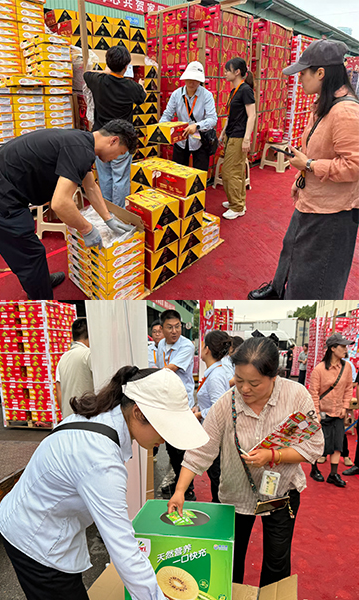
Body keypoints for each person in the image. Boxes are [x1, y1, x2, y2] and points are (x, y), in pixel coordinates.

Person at [0, 367, 208, 600]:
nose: (167, 439)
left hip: (39, 517)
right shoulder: (100, 460)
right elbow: (123, 547)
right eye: (166, 428)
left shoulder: (99, 416)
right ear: (138, 413)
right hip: (34, 537)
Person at [171, 337, 324, 586]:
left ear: (273, 377)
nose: (244, 389)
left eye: (254, 383)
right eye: (239, 379)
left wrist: (273, 456)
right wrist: (180, 491)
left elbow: (314, 446)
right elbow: (200, 451)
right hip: (235, 495)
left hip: (281, 492)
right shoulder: (227, 403)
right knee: (229, 559)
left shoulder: (296, 396)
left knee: (277, 561)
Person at [0, 122, 138, 300]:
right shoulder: (81, 151)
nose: (115, 158)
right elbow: (60, 204)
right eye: (120, 153)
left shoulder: (81, 141)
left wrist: (108, 218)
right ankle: (42, 300)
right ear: (113, 140)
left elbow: (91, 187)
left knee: (28, 251)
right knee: (30, 254)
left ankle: (40, 281)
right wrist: (87, 229)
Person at [248, 40, 359, 300]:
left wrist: (308, 165)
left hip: (333, 212)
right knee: (292, 250)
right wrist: (302, 176)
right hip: (312, 199)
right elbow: (317, 151)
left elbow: (354, 165)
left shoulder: (346, 112)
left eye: (303, 73)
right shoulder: (324, 104)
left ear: (320, 73)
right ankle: (278, 290)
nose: (299, 79)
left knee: (316, 273)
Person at [83, 46, 147, 207]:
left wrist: (108, 71)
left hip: (100, 139)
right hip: (121, 142)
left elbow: (86, 74)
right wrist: (141, 86)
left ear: (107, 63)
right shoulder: (132, 87)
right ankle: (119, 213)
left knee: (104, 177)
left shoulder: (97, 81)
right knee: (121, 178)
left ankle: (107, 210)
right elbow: (142, 97)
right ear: (126, 67)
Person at [155, 309, 197, 500]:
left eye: (177, 327)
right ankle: (179, 481)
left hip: (181, 403)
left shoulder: (186, 345)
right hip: (167, 401)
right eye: (170, 327)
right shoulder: (161, 345)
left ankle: (188, 488)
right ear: (162, 328)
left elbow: (169, 369)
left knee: (182, 448)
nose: (174, 331)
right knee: (171, 446)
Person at [308, 333, 353, 487]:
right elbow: (313, 392)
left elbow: (348, 388)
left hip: (338, 412)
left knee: (337, 444)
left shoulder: (347, 367)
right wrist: (316, 413)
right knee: (319, 443)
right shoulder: (319, 369)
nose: (346, 349)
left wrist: (345, 407)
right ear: (332, 348)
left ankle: (333, 474)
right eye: (343, 346)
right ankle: (314, 469)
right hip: (322, 413)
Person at [195, 330, 233, 503]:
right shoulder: (214, 372)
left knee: (216, 474)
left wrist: (199, 413)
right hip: (211, 430)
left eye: (203, 345)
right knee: (215, 473)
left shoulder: (216, 376)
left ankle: (219, 504)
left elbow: (218, 407)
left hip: (215, 433)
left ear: (207, 349)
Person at [158, 61, 217, 173]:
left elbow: (212, 119)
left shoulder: (207, 96)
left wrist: (197, 126)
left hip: (201, 140)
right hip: (181, 139)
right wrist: (160, 128)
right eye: (189, 78)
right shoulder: (176, 94)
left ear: (200, 80)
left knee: (199, 174)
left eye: (195, 79)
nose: (191, 82)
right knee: (178, 173)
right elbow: (167, 114)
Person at [218, 57, 256, 220]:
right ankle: (239, 202)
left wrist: (247, 138)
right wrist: (222, 133)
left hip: (239, 136)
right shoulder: (234, 91)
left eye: (228, 70)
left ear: (237, 72)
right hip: (231, 135)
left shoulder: (245, 90)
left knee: (229, 172)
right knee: (237, 171)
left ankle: (237, 206)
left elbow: (252, 115)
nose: (225, 73)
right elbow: (231, 116)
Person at [55, 318, 95, 421]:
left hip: (69, 419)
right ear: (90, 335)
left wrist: (66, 415)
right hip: (88, 418)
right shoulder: (89, 355)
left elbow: (59, 390)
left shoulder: (63, 358)